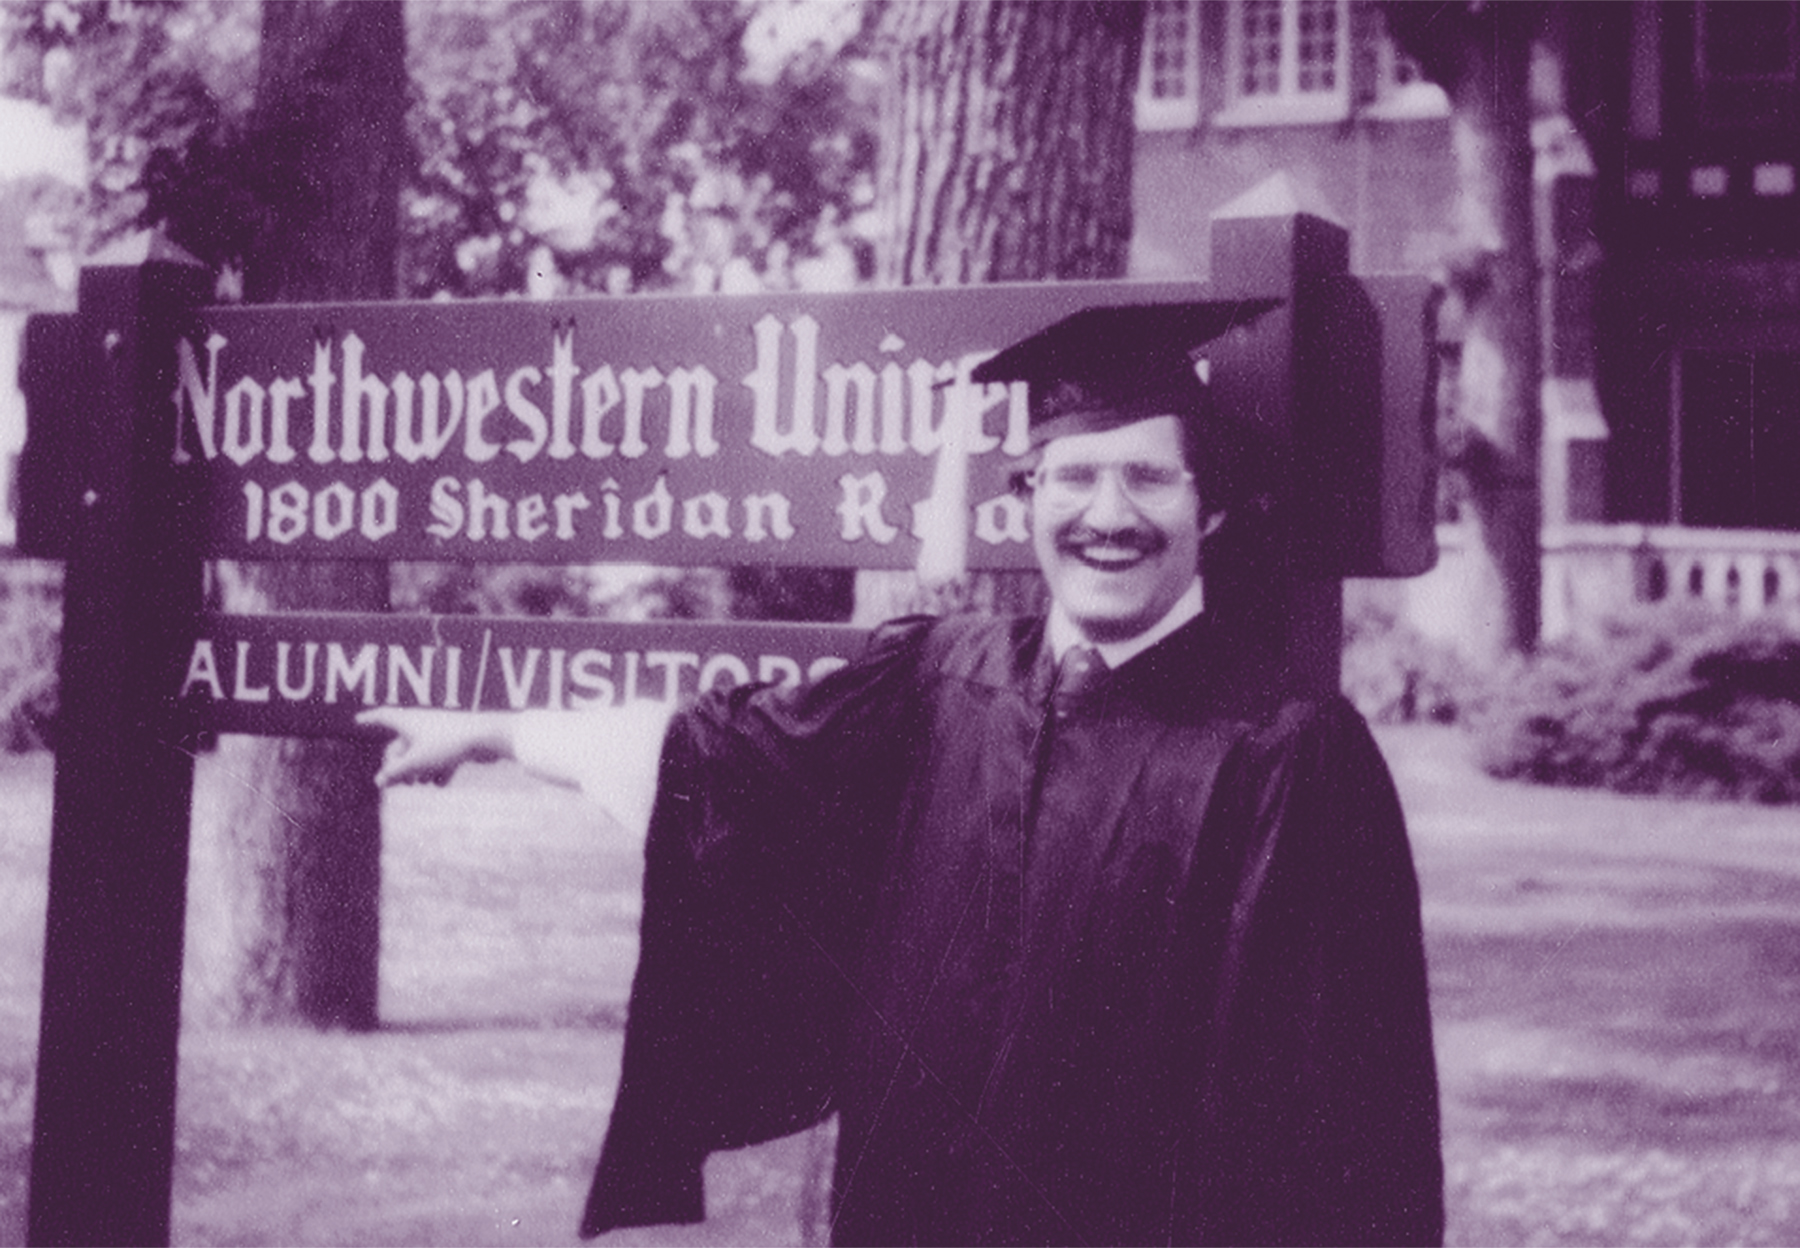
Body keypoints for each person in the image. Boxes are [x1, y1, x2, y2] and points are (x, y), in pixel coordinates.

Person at [364, 302, 1444, 1247]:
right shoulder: (943, 678)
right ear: (1025, 501)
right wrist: (497, 731)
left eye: (1149, 478)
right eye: (1072, 476)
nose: (1106, 515)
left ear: (1208, 511)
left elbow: (1347, 1113)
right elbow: (724, 762)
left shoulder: (1288, 753)